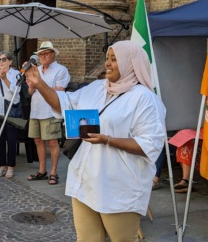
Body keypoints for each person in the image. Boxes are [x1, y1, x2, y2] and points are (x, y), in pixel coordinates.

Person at [25, 40, 166, 241]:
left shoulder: (145, 99)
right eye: (107, 58)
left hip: (118, 187)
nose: (107, 63)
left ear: (130, 63)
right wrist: (39, 84)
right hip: (85, 182)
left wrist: (108, 140)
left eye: (114, 59)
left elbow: (150, 144)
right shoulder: (97, 88)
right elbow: (63, 103)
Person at [26, 41, 70, 185]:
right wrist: (31, 86)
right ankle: (42, 170)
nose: (42, 56)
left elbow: (59, 92)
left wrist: (40, 85)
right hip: (36, 109)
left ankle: (53, 172)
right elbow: (30, 92)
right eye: (40, 54)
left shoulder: (61, 70)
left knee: (52, 142)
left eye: (46, 54)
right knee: (38, 141)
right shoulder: (35, 69)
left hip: (50, 110)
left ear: (52, 55)